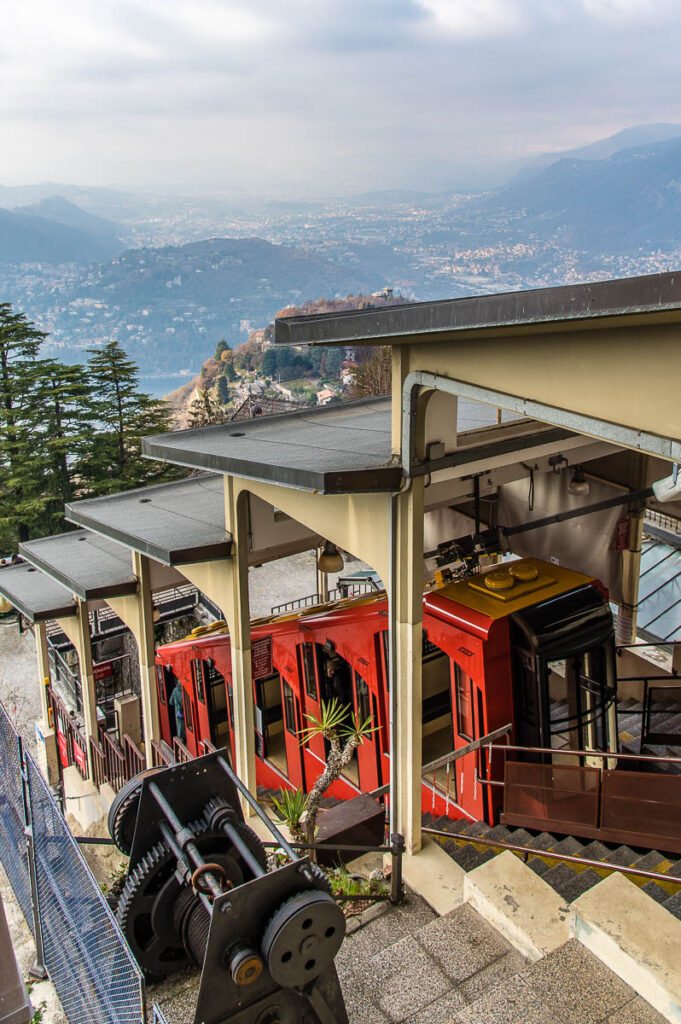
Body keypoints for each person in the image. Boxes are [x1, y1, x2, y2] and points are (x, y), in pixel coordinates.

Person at [169, 678, 186, 742]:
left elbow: (171, 702)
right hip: (185, 712)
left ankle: (182, 739)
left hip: (178, 713)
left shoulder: (175, 690)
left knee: (180, 727)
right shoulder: (184, 690)